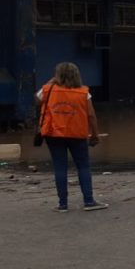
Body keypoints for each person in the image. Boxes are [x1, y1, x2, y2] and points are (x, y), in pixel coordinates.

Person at [36, 62, 107, 212]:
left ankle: (62, 204)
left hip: (54, 134)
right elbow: (91, 115)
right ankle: (88, 201)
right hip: (77, 134)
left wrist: (51, 81)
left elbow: (37, 99)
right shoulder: (84, 92)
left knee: (60, 167)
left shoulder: (48, 90)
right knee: (83, 166)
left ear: (57, 75)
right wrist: (95, 134)